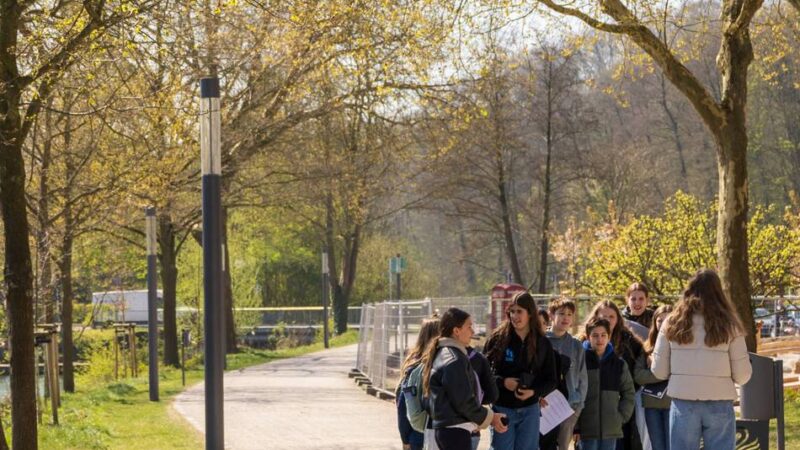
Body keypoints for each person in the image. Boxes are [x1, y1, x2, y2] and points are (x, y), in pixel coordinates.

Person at [652, 269, 752, 450]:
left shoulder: (672, 323)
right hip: (719, 402)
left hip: (683, 401)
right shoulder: (730, 325)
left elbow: (658, 371)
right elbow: (743, 375)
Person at [424, 308, 508, 449]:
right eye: (469, 327)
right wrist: (490, 418)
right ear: (456, 331)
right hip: (455, 432)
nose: (473, 332)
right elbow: (464, 401)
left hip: (449, 431)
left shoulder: (446, 354)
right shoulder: (454, 360)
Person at [484, 292, 557, 450]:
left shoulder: (543, 343)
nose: (515, 316)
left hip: (530, 410)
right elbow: (483, 374)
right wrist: (503, 382)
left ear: (530, 313)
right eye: (512, 311)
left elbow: (551, 379)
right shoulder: (497, 339)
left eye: (519, 311)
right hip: (502, 408)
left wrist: (534, 392)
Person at [585, 300, 644, 450]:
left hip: (613, 421)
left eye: (611, 316)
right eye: (603, 316)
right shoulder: (581, 355)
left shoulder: (627, 349)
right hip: (587, 426)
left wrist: (621, 417)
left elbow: (629, 391)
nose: (607, 319)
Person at [576, 317, 636, 450]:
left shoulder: (619, 364)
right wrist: (576, 426)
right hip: (586, 430)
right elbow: (573, 392)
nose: (599, 339)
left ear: (609, 337)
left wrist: (620, 417)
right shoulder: (580, 361)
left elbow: (629, 393)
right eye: (595, 335)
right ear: (588, 337)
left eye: (603, 335)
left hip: (611, 430)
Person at [542, 297, 588, 450]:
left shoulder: (576, 345)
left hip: (569, 408)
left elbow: (582, 379)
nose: (565, 318)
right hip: (544, 407)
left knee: (562, 446)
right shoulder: (542, 341)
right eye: (561, 313)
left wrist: (578, 407)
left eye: (569, 314)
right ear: (552, 315)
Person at [397, 318, 441, 450]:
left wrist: (405, 439)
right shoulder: (443, 363)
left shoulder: (412, 365)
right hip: (439, 431)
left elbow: (402, 406)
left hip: (416, 433)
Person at [634, 305, 673, 450]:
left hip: (673, 405)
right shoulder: (647, 346)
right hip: (651, 406)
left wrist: (657, 371)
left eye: (668, 319)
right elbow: (638, 376)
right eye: (659, 320)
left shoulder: (682, 345)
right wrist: (664, 373)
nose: (663, 323)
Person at [466, 344, 499, 450]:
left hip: (440, 429)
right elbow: (492, 395)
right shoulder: (478, 359)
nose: (472, 331)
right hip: (472, 427)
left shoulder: (439, 356)